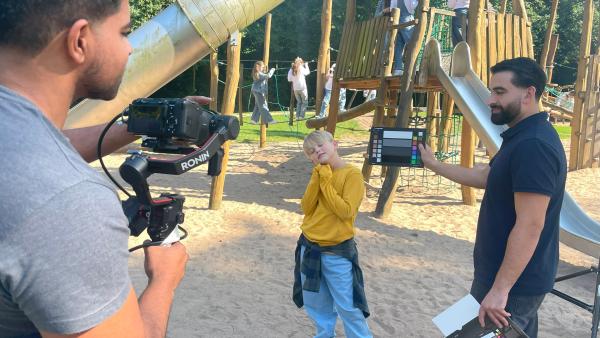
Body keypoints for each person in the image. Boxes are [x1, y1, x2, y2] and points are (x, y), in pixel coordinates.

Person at [0, 1, 190, 337]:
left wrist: (139, 127)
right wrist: (164, 281)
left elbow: (40, 145)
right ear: (80, 41)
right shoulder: (68, 202)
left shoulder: (15, 137)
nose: (130, 47)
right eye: (124, 32)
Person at [418, 57, 567, 338]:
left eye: (499, 92)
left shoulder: (534, 146)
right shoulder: (519, 137)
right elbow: (487, 178)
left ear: (529, 94)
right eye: (491, 91)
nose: (490, 100)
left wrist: (500, 290)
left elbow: (530, 225)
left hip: (513, 286)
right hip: (500, 278)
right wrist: (435, 164)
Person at [293, 130, 372, 338]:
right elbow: (307, 207)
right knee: (317, 304)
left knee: (348, 305)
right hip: (309, 246)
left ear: (334, 144)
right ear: (309, 158)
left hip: (336, 252)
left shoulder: (352, 174)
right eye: (311, 151)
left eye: (320, 145)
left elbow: (346, 212)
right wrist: (317, 179)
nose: (317, 151)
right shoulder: (319, 173)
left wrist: (326, 182)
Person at [375, 0, 418, 76]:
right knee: (398, 44)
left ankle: (411, 68)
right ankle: (398, 69)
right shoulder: (383, 1)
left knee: (409, 43)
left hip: (404, 18)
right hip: (397, 19)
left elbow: (412, 5)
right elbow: (394, 6)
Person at [250, 61, 276, 125]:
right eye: (262, 67)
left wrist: (265, 71)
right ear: (258, 67)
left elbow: (264, 75)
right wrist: (272, 70)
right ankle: (269, 120)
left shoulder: (256, 73)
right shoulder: (259, 73)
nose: (263, 68)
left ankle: (254, 120)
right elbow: (268, 76)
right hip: (259, 92)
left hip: (256, 91)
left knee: (257, 106)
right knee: (263, 105)